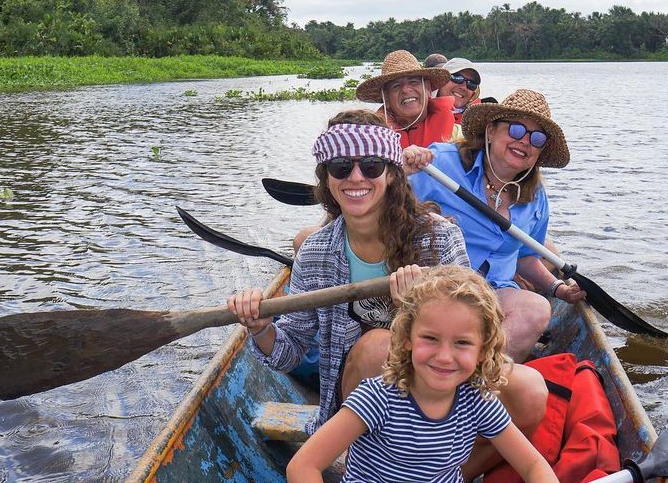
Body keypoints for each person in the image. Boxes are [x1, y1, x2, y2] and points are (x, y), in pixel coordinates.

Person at [227, 117, 470, 434]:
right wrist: (260, 330)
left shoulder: (439, 238)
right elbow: (288, 354)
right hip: (357, 397)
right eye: (341, 167)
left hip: (442, 378)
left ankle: (449, 476)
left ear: (392, 176)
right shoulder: (316, 252)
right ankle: (367, 456)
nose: (356, 178)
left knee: (528, 387)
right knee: (377, 347)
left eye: (371, 166)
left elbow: (476, 329)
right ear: (327, 179)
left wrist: (420, 309)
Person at [286, 265, 563, 483]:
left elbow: (533, 465)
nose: (444, 357)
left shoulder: (478, 401)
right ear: (407, 339)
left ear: (482, 350)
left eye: (462, 343)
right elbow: (304, 466)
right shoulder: (377, 398)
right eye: (430, 338)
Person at [405, 89, 586, 363]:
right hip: (435, 287)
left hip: (494, 294)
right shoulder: (439, 164)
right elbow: (382, 202)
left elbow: (526, 257)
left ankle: (477, 380)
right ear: (490, 131)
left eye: (536, 138)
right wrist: (403, 167)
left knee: (536, 309)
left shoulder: (535, 198)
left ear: (539, 152)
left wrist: (557, 289)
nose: (524, 141)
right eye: (516, 130)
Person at [355, 50, 455, 148]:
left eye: (413, 82)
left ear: (428, 88)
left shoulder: (457, 135)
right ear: (386, 98)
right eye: (396, 86)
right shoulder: (368, 138)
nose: (406, 90)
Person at [436, 56, 483, 127]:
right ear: (441, 79)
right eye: (457, 78)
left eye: (471, 84)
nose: (463, 87)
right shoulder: (419, 111)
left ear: (473, 94)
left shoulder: (480, 122)